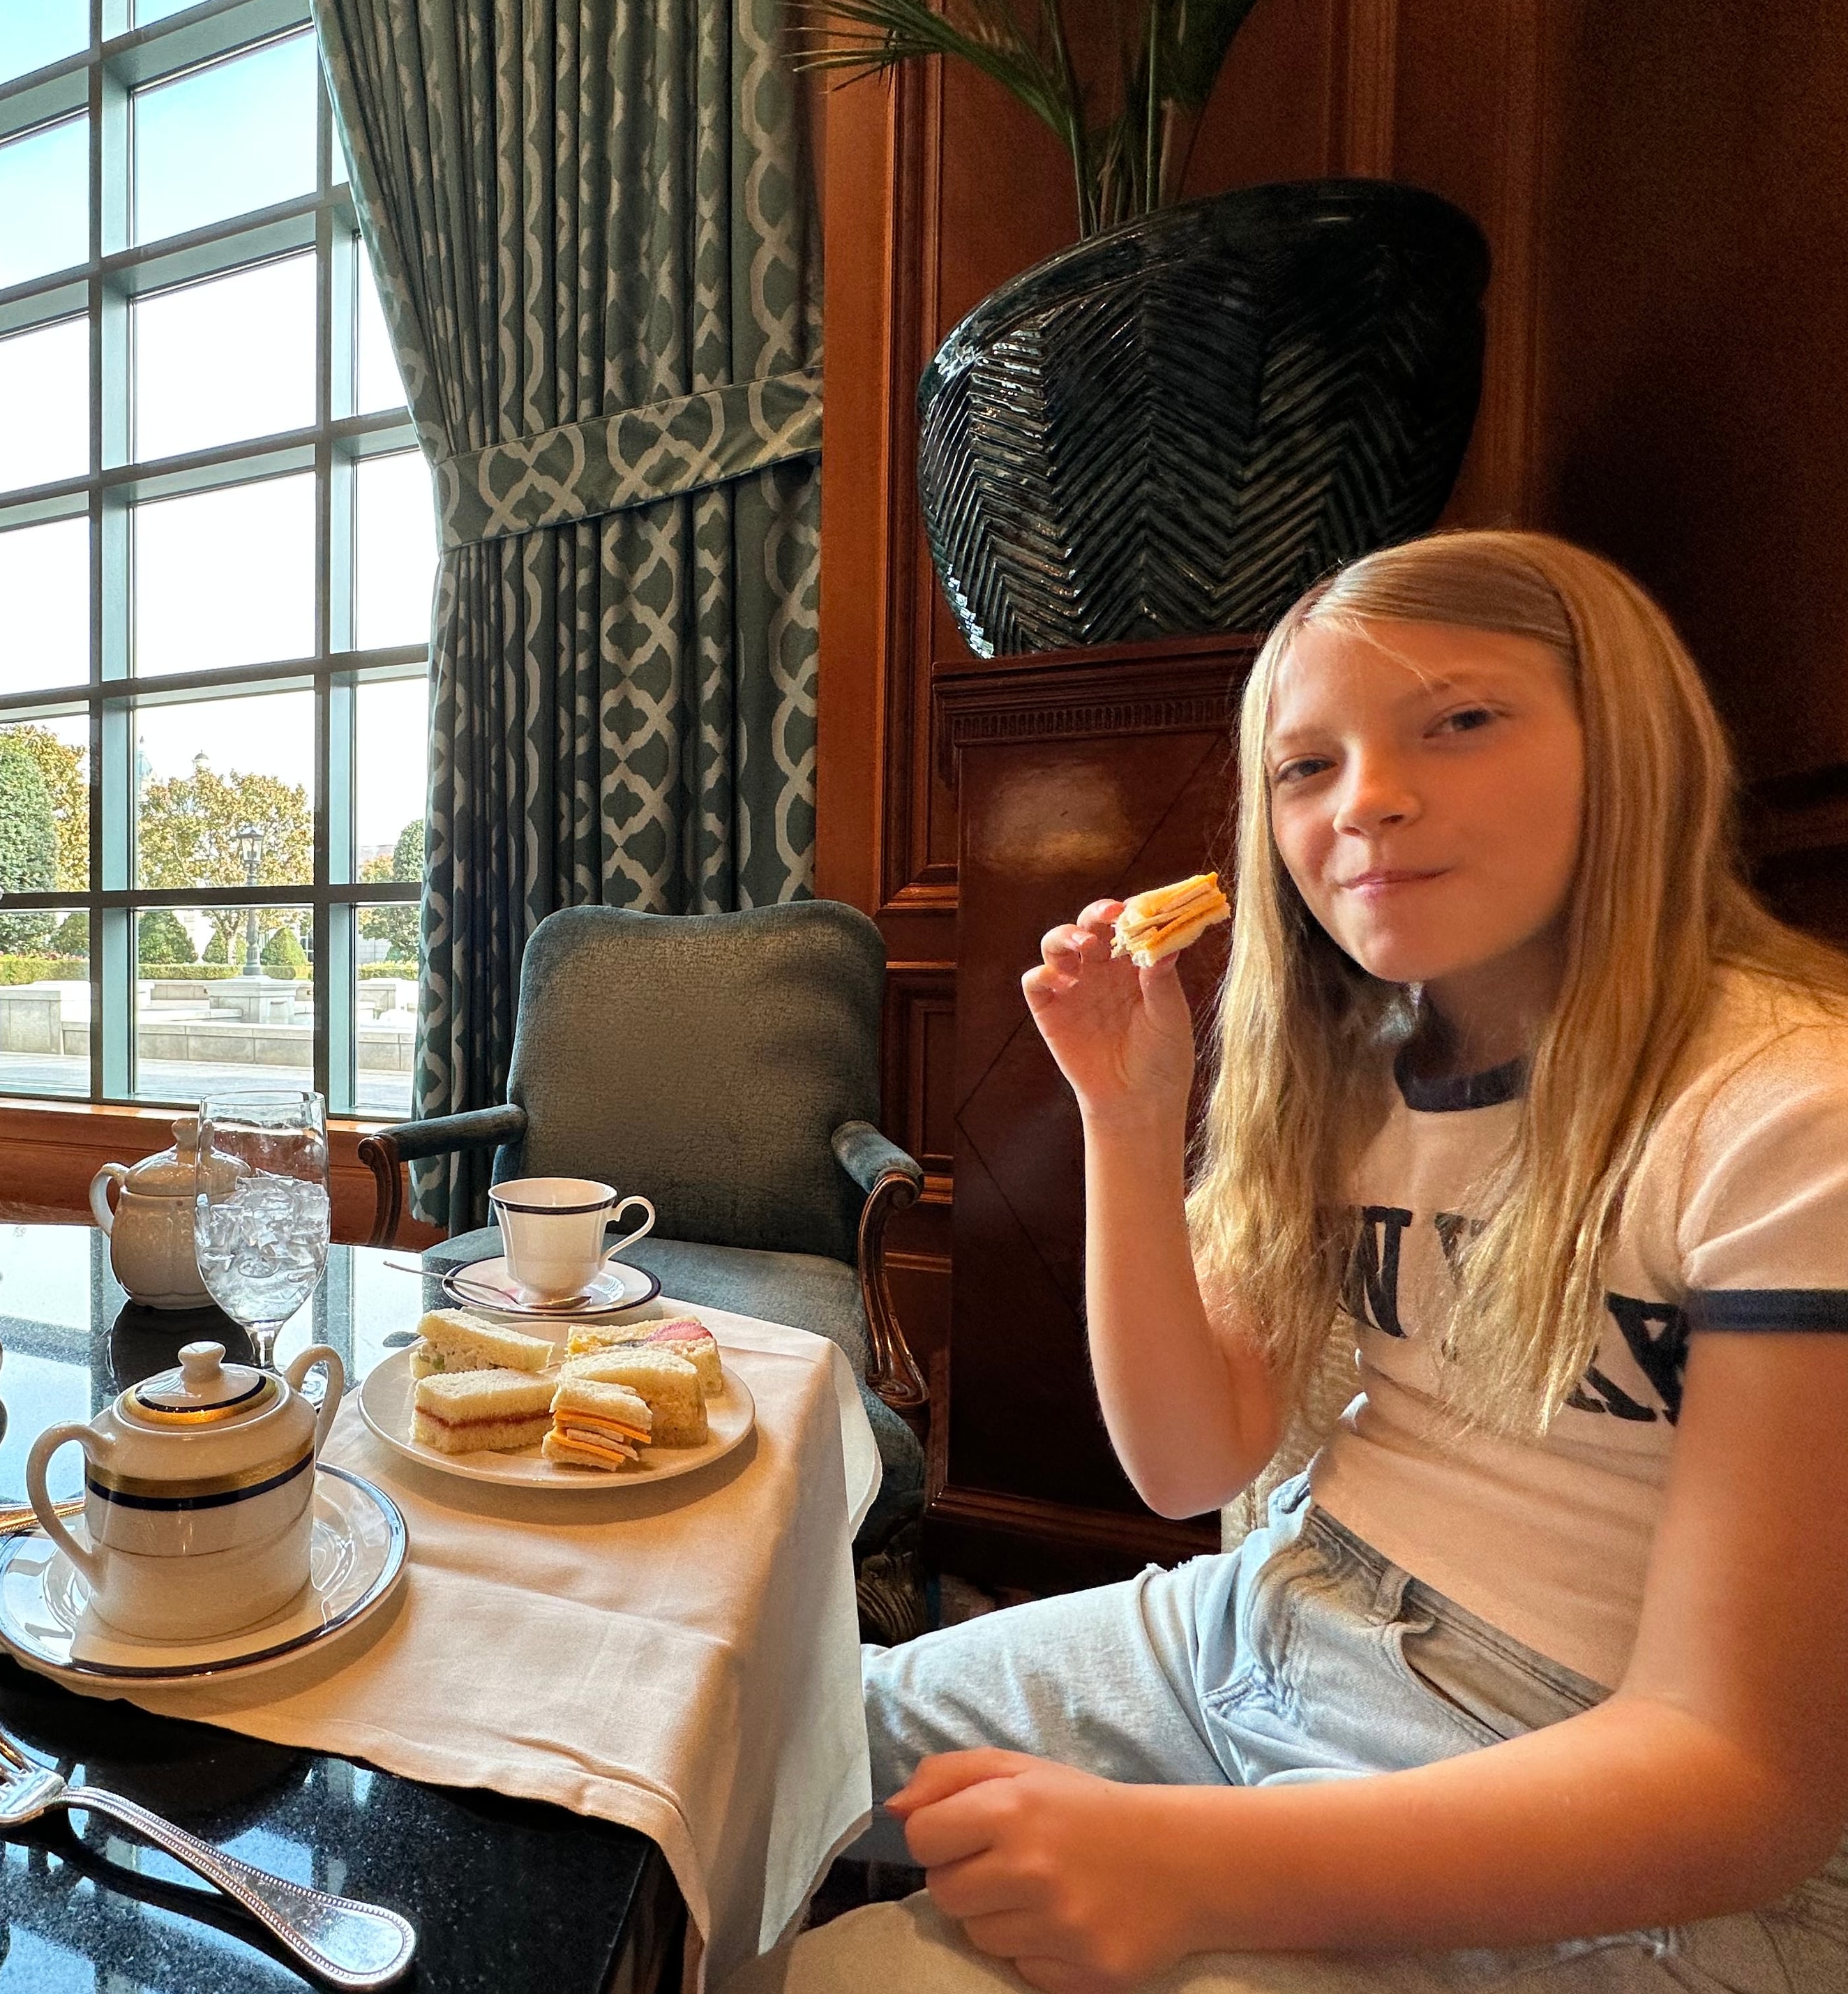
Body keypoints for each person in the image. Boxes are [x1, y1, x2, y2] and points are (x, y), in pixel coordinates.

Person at [733, 532, 1848, 1994]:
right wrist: (1126, 1118)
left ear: (1628, 743)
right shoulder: (1363, 1071)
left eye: (1459, 720)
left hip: (1568, 1775)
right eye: (1304, 767)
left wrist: (1185, 1865)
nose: (1370, 799)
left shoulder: (1788, 1116)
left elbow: (1745, 1787)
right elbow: (1190, 1464)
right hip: (1271, 1614)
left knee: (840, 1978)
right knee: (745, 1745)